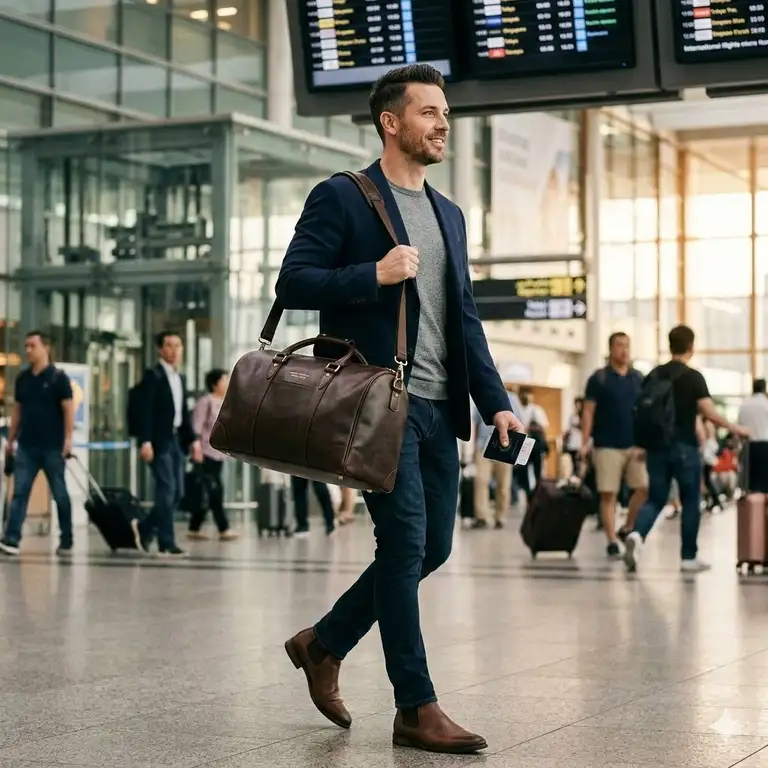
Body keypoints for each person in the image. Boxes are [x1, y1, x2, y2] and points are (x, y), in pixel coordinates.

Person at [275, 64, 523, 755]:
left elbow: (464, 317)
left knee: (434, 546)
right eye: (429, 113)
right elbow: (293, 280)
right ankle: (416, 707)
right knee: (404, 542)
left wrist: (495, 403)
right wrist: (372, 274)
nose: (443, 124)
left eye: (446, 114)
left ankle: (323, 643)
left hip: (441, 405)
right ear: (391, 122)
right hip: (378, 403)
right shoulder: (344, 198)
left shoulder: (450, 215)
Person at [624, 325, 750, 573]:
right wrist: (736, 428)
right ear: (691, 347)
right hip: (684, 447)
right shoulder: (693, 377)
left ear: (670, 345)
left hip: (656, 448)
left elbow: (642, 412)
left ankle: (637, 534)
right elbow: (709, 413)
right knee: (691, 500)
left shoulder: (654, 375)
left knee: (656, 499)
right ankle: (688, 556)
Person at [0, 331, 74, 556]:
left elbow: (68, 409)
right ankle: (12, 538)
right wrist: (11, 440)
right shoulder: (23, 379)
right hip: (27, 446)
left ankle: (66, 537)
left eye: (33, 346)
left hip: (52, 446)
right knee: (20, 493)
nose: (28, 351)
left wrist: (68, 439)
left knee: (60, 493)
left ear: (46, 348)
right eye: (26, 346)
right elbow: (18, 410)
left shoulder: (58, 378)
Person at [132, 331, 201, 558]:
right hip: (158, 441)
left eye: (178, 345)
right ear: (160, 349)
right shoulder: (153, 376)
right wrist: (145, 442)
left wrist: (193, 441)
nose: (174, 350)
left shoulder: (179, 378)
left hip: (174, 441)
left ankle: (144, 528)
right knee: (167, 490)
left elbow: (182, 414)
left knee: (178, 492)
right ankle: (166, 542)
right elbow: (145, 412)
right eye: (169, 345)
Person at [580, 332, 648, 558]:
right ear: (610, 349)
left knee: (643, 488)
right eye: (619, 346)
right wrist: (584, 442)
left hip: (635, 444)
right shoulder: (599, 379)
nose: (624, 350)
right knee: (608, 494)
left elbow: (646, 411)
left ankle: (627, 526)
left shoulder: (638, 378)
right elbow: (588, 412)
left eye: (627, 346)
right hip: (606, 444)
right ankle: (611, 540)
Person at [187, 369, 238, 542]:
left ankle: (194, 527)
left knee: (208, 492)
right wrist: (196, 449)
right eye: (225, 380)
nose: (228, 382)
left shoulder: (226, 402)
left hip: (219, 455)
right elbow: (196, 427)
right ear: (215, 383)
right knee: (214, 491)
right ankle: (223, 528)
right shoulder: (205, 401)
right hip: (205, 454)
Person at [472, 388, 523, 529]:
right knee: (481, 481)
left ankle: (500, 517)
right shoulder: (480, 395)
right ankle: (481, 516)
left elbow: (519, 423)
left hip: (504, 446)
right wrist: (474, 447)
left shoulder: (512, 398)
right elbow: (476, 423)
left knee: (503, 485)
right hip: (483, 445)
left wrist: (517, 450)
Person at [516, 387, 548, 498]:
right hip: (523, 445)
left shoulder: (536, 410)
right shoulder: (517, 409)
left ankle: (538, 494)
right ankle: (527, 494)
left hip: (535, 444)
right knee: (522, 471)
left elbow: (543, 428)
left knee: (537, 471)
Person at [563, 397, 584, 476]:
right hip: (572, 443)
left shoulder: (584, 417)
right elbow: (569, 428)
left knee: (580, 464)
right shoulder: (572, 416)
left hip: (581, 443)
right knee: (573, 463)